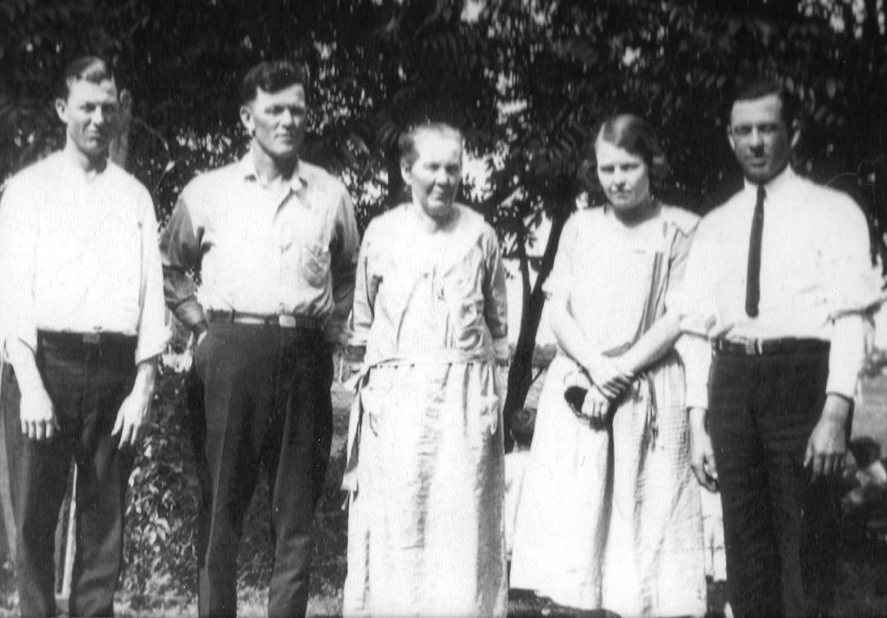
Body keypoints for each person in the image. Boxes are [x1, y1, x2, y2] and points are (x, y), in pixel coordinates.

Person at [159, 60, 359, 618]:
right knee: (221, 507)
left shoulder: (330, 194)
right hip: (229, 353)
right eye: (275, 110)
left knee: (295, 514)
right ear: (248, 117)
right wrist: (200, 325)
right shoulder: (209, 191)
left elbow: (349, 272)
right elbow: (171, 264)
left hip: (304, 356)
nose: (288, 120)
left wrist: (335, 329)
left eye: (297, 108)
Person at [676, 76, 881, 617]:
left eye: (768, 129)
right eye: (744, 131)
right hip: (733, 387)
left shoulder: (834, 212)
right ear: (729, 138)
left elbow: (852, 319)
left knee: (806, 553)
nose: (756, 142)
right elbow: (697, 329)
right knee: (747, 555)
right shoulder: (715, 226)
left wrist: (836, 412)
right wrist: (698, 421)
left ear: (793, 132)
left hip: (802, 382)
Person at [0, 56, 169, 617]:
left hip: (114, 370)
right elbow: (8, 292)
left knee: (104, 522)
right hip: (45, 365)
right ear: (63, 109)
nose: (98, 118)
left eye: (108, 107)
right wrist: (31, 381)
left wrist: (143, 385)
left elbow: (152, 295)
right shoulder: (28, 188)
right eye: (86, 106)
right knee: (34, 520)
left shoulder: (134, 196)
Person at [510, 115, 707, 617]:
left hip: (649, 387)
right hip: (581, 382)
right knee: (579, 528)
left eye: (629, 166)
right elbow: (558, 309)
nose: (617, 179)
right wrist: (598, 367)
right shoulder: (579, 227)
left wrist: (621, 372)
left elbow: (678, 315)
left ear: (652, 165)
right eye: (606, 168)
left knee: (643, 524)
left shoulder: (681, 228)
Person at [340, 123, 510, 617]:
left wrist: (489, 397)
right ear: (406, 170)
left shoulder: (480, 235)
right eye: (431, 166)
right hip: (397, 401)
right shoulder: (382, 232)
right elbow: (363, 321)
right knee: (399, 521)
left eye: (453, 166)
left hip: (464, 403)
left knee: (462, 526)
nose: (443, 178)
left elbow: (497, 326)